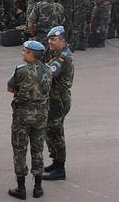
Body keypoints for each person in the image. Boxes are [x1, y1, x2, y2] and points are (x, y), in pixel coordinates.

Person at [7, 40, 53, 200]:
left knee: (20, 149)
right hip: (41, 114)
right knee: (38, 150)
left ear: (31, 54)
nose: (22, 53)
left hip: (22, 115)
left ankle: (21, 187)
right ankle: (38, 187)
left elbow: (11, 87)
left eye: (25, 51)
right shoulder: (48, 70)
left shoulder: (21, 70)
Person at [42, 26, 74, 181]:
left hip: (59, 101)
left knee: (56, 133)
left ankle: (60, 168)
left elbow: (50, 73)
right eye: (49, 39)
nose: (50, 42)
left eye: (53, 39)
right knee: (50, 132)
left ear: (62, 40)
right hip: (53, 100)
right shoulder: (56, 53)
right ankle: (55, 161)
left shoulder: (63, 57)